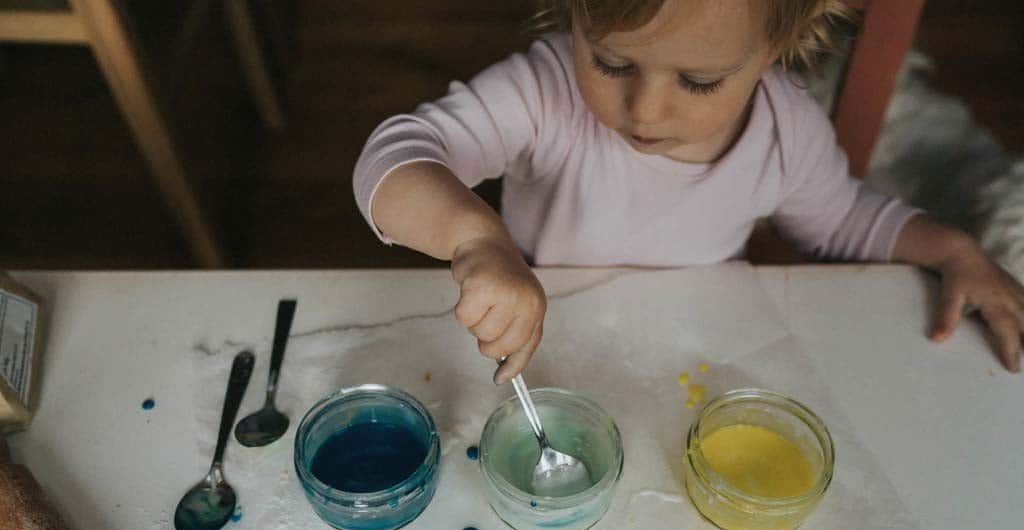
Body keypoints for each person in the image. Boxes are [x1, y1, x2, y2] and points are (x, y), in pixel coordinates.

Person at [354, 0, 1024, 381]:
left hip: (698, 372)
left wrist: (951, 247)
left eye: (699, 81)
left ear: (786, 40)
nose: (645, 110)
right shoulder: (545, 92)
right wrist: (476, 239)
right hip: (537, 363)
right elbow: (392, 160)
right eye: (611, 61)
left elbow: (844, 218)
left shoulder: (788, 131)